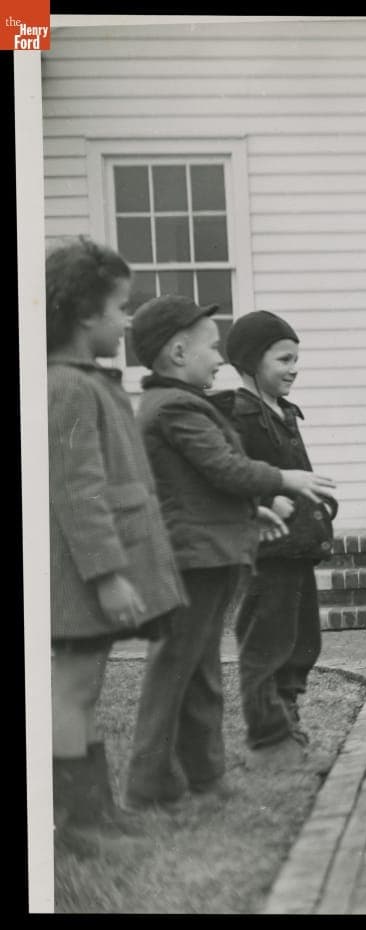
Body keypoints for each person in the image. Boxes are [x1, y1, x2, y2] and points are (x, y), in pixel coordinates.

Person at [122, 295, 336, 808]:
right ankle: (152, 783)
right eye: (211, 348)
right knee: (181, 669)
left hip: (218, 552)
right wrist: (280, 481)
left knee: (200, 673)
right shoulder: (176, 407)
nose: (219, 360)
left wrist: (251, 512)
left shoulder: (184, 404)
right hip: (197, 557)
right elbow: (224, 469)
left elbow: (206, 484)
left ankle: (202, 777)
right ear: (177, 352)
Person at [45, 237, 187, 851]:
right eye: (121, 308)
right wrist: (109, 574)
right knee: (72, 688)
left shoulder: (85, 380)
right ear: (84, 314)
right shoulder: (67, 388)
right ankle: (76, 826)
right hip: (78, 575)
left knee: (87, 685)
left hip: (86, 573)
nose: (127, 321)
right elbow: (78, 490)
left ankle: (95, 814)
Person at [213, 311, 337, 766]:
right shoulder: (239, 416)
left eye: (296, 359)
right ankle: (268, 740)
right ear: (250, 361)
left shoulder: (283, 412)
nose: (293, 368)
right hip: (267, 552)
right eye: (283, 358)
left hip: (298, 547)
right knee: (267, 642)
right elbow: (233, 477)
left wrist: (321, 507)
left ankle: (288, 721)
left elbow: (298, 472)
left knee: (302, 640)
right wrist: (268, 499)